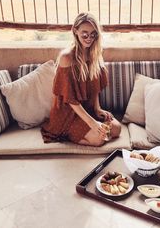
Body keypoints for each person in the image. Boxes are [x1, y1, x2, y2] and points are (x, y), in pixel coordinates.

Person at [41, 12, 121, 146]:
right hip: (68, 114)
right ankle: (69, 134)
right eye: (84, 33)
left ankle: (86, 132)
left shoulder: (95, 54)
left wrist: (97, 109)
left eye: (93, 34)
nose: (89, 38)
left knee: (117, 128)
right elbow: (70, 99)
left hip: (87, 110)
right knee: (99, 139)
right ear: (75, 31)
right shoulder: (66, 58)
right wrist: (92, 123)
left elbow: (95, 86)